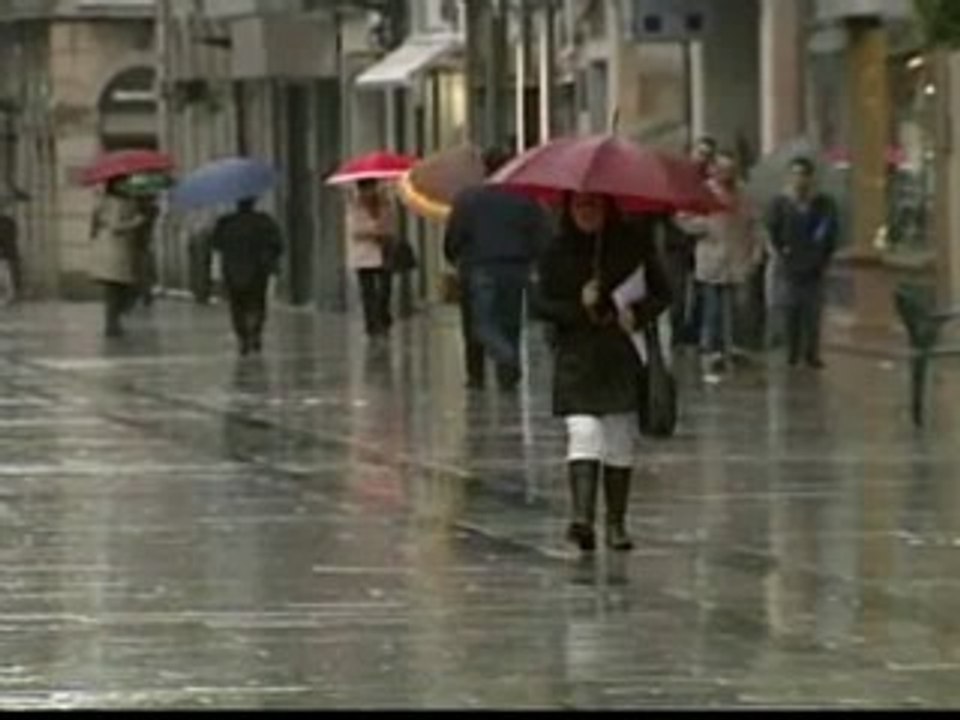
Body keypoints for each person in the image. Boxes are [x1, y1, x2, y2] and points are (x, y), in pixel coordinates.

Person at [535, 193, 671, 553]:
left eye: (594, 206)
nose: (587, 213)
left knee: (618, 437)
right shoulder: (556, 250)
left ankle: (615, 523)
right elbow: (540, 304)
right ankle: (582, 518)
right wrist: (577, 305)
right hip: (577, 355)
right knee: (583, 430)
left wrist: (637, 313)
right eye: (580, 206)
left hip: (620, 353)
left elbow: (662, 291)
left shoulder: (632, 246)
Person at [444, 147, 548, 391]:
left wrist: (454, 257)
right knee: (509, 322)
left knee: (479, 324)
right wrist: (533, 261)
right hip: (515, 268)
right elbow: (541, 236)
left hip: (478, 267)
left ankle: (482, 372)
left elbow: (454, 237)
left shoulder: (468, 198)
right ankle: (506, 374)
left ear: (485, 168)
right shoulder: (525, 198)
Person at [678, 152, 764, 380]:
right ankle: (711, 353)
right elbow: (682, 218)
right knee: (713, 310)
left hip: (738, 259)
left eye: (731, 170)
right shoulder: (703, 191)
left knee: (738, 309)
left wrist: (756, 251)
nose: (728, 175)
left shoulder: (744, 194)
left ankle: (733, 349)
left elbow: (755, 224)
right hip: (712, 259)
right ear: (714, 170)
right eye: (723, 169)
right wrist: (704, 225)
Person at [766, 156, 839, 369]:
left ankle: (811, 353)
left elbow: (831, 233)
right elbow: (772, 231)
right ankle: (792, 352)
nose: (799, 179)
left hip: (815, 267)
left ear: (810, 178)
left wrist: (823, 258)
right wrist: (781, 253)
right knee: (791, 310)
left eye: (803, 175)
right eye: (795, 174)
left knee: (813, 312)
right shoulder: (780, 203)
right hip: (789, 266)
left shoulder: (823, 204)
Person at [210, 197, 283, 356]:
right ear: (253, 203)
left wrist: (216, 275)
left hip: (232, 272)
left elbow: (215, 246)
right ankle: (255, 332)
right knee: (257, 303)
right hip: (258, 271)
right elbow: (278, 245)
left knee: (237, 306)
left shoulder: (226, 222)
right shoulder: (264, 221)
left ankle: (243, 337)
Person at [89, 180, 147, 338]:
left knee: (114, 290)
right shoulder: (116, 202)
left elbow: (95, 226)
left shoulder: (103, 201)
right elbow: (115, 225)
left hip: (107, 250)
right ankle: (113, 325)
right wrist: (136, 222)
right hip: (115, 251)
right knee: (119, 289)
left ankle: (112, 324)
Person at [347, 179, 398, 339]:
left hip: (384, 253)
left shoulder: (385, 204)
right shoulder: (354, 207)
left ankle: (383, 316)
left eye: (371, 188)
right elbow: (355, 230)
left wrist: (383, 228)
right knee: (368, 292)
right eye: (365, 189)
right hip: (364, 256)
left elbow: (391, 226)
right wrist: (374, 231)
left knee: (385, 289)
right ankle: (372, 325)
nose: (369, 192)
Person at [132, 195, 160, 308]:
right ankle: (145, 294)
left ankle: (144, 294)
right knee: (144, 270)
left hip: (141, 241)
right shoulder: (151, 208)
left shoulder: (147, 209)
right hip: (144, 241)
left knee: (142, 270)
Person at [0, 210, 21, 303]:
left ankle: (8, 296)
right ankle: (9, 296)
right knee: (8, 278)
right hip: (7, 256)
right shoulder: (9, 222)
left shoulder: (7, 223)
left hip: (5, 257)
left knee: (6, 278)